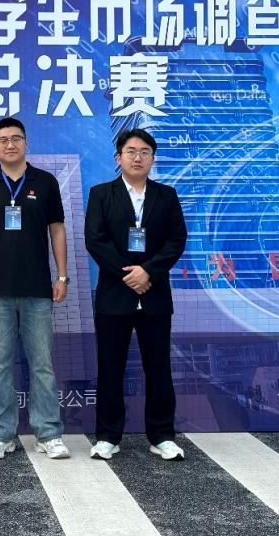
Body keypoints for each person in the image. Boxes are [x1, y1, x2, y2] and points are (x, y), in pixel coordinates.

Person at [0, 117, 71, 460]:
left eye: (16, 138)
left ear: (26, 143)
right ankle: (0, 434)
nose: (9, 145)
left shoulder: (46, 182)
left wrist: (62, 276)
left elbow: (57, 230)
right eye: (3, 140)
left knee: (42, 364)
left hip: (38, 290)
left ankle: (48, 433)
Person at [84, 129, 188, 461]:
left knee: (158, 367)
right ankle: (107, 436)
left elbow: (176, 240)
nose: (137, 157)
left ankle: (162, 435)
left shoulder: (166, 195)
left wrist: (149, 272)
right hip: (115, 295)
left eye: (144, 151)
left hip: (154, 295)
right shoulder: (102, 194)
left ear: (152, 158)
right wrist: (129, 274)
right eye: (131, 151)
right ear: (119, 158)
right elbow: (95, 240)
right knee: (110, 367)